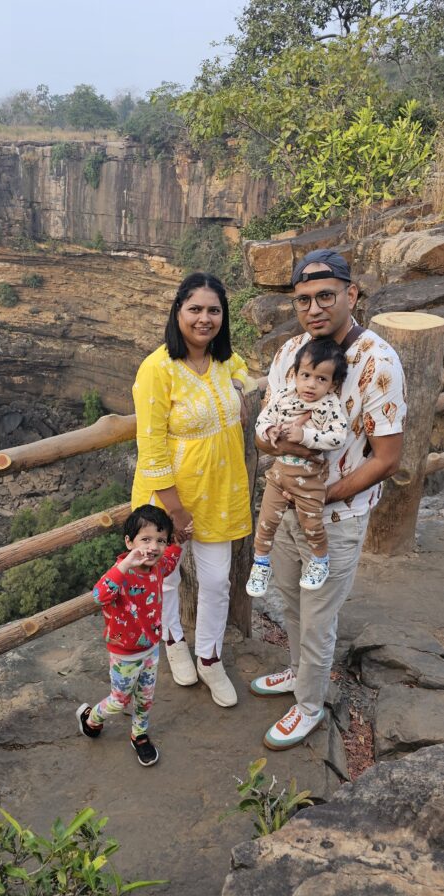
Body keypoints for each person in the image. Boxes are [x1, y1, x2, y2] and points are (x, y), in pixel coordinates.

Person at [250, 248, 406, 750]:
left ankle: (310, 705)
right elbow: (262, 432)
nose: (313, 308)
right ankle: (300, 673)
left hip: (336, 518)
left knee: (318, 619)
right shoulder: (290, 353)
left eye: (325, 296)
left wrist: (321, 498)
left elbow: (387, 459)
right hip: (286, 506)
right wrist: (275, 442)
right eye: (303, 300)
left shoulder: (378, 362)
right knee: (291, 602)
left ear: (350, 295)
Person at [131, 272, 252, 708]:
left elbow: (244, 375)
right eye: (195, 309)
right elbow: (151, 447)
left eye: (213, 310)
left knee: (217, 581)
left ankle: (210, 657)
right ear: (178, 312)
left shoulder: (224, 359)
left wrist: (242, 389)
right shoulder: (157, 368)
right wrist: (176, 512)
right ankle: (173, 641)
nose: (205, 319)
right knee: (165, 577)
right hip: (170, 496)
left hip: (219, 490)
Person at [76, 505, 181, 766]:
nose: (153, 547)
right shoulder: (122, 573)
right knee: (119, 700)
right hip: (124, 654)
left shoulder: (158, 566)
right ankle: (91, 718)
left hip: (151, 649)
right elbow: (99, 595)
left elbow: (170, 560)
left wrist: (179, 540)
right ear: (129, 542)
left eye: (160, 540)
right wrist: (124, 565)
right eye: (145, 539)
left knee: (145, 699)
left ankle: (139, 735)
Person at [246, 337, 348, 597]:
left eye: (321, 379)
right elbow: (263, 419)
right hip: (279, 474)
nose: (311, 384)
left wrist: (305, 436)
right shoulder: (284, 396)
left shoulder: (329, 406)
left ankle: (320, 560)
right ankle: (261, 563)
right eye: (306, 375)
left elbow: (337, 438)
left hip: (309, 480)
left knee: (311, 524)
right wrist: (269, 429)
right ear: (295, 374)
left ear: (333, 384)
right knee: (266, 521)